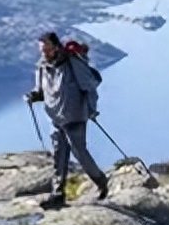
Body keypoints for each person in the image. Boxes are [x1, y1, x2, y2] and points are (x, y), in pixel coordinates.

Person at [24, 31, 108, 210]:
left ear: (55, 46)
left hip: (75, 115)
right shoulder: (42, 67)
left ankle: (101, 181)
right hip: (56, 117)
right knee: (59, 155)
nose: (43, 52)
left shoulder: (72, 63)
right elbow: (41, 91)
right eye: (41, 49)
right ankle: (58, 195)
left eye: (46, 48)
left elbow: (89, 85)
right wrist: (32, 96)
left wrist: (92, 110)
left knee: (79, 152)